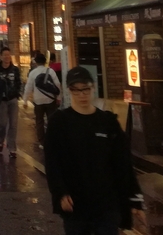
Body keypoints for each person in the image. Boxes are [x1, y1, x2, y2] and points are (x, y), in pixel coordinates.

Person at [45, 68, 144, 235]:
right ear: (69, 91)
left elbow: (123, 162)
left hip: (107, 203)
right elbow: (52, 162)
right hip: (76, 204)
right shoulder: (59, 123)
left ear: (93, 88)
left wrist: (135, 199)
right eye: (76, 90)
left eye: (86, 89)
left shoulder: (107, 122)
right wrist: (60, 192)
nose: (82, 95)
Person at [24, 53, 62, 144]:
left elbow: (28, 87)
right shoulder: (50, 71)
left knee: (39, 121)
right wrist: (59, 97)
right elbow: (57, 84)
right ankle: (52, 139)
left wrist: (25, 100)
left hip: (38, 101)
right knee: (51, 120)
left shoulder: (33, 73)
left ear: (36, 62)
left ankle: (42, 141)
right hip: (50, 100)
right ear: (45, 62)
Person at [0, 47, 22, 158]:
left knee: (13, 124)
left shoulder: (15, 70)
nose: (7, 57)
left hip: (13, 99)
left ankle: (12, 148)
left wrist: (17, 93)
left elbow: (19, 82)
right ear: (1, 57)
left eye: (8, 55)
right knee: (2, 123)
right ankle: (0, 140)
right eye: (5, 55)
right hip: (2, 101)